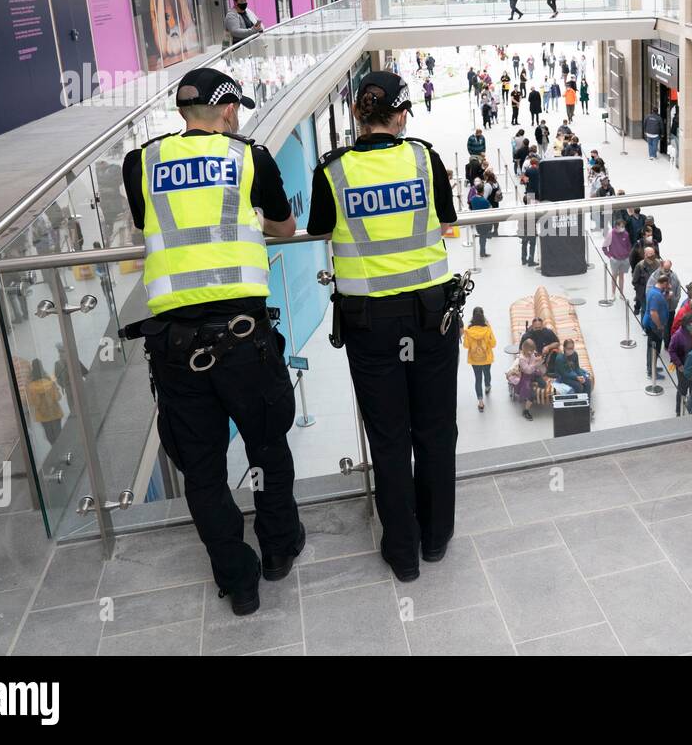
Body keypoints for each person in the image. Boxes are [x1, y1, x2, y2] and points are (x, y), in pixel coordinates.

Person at [119, 67, 301, 616]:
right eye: (235, 108)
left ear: (183, 113)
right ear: (226, 111)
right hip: (245, 340)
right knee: (267, 446)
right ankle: (278, 550)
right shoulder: (250, 156)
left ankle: (239, 582)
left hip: (176, 348)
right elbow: (285, 228)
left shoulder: (140, 162)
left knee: (202, 469)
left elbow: (148, 226)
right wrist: (247, 223)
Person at [307, 70, 460, 584]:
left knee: (389, 437)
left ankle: (403, 552)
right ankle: (436, 538)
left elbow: (319, 228)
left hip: (370, 324)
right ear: (401, 115)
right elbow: (446, 219)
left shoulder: (332, 171)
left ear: (356, 114)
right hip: (432, 317)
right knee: (435, 428)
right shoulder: (424, 159)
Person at [462, 307, 496, 412]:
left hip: (474, 359)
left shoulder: (468, 330)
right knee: (487, 373)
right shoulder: (487, 329)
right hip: (486, 358)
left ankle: (480, 402)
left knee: (478, 379)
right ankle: (487, 386)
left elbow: (466, 346)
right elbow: (493, 344)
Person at [668, 313, 692, 415]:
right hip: (683, 368)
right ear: (685, 325)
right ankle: (679, 411)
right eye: (690, 325)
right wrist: (679, 365)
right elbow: (671, 350)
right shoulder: (678, 335)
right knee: (682, 390)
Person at [26, 358, 63, 445]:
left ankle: (55, 450)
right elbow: (58, 397)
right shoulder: (49, 382)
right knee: (59, 436)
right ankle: (62, 449)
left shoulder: (31, 387)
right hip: (55, 413)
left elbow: (31, 403)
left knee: (50, 437)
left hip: (43, 416)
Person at [642, 274, 672, 381]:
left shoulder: (656, 291)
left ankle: (652, 366)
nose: (669, 286)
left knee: (653, 348)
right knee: (654, 349)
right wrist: (659, 325)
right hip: (654, 327)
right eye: (668, 284)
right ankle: (651, 371)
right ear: (664, 283)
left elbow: (661, 300)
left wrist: (667, 292)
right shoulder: (656, 295)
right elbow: (653, 313)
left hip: (653, 325)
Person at [509, 340, 548, 421]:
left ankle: (536, 393)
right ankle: (526, 411)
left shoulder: (531, 354)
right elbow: (528, 370)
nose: (532, 352)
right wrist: (535, 363)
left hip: (533, 373)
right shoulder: (522, 359)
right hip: (525, 376)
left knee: (543, 384)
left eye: (533, 350)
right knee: (531, 394)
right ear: (525, 349)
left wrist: (540, 360)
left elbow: (534, 362)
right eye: (531, 351)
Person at [602, 217, 632, 297]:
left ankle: (621, 293)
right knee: (614, 276)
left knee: (622, 276)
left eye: (623, 226)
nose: (623, 228)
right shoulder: (611, 234)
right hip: (614, 260)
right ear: (616, 226)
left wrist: (628, 256)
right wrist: (610, 256)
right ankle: (613, 293)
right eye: (621, 226)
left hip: (624, 259)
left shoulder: (626, 234)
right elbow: (604, 247)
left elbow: (629, 246)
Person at [631, 246, 660, 317]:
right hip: (644, 294)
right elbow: (634, 281)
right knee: (645, 310)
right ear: (645, 255)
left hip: (656, 292)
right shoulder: (639, 266)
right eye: (650, 254)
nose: (652, 256)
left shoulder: (658, 264)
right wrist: (640, 290)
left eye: (652, 254)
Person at [519, 194, 539, 266]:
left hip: (523, 230)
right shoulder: (532, 210)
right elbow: (536, 220)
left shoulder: (521, 210)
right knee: (532, 245)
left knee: (524, 244)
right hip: (531, 229)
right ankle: (531, 260)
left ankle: (523, 260)